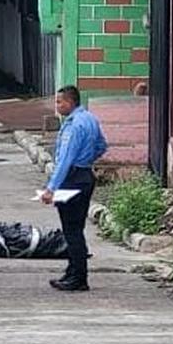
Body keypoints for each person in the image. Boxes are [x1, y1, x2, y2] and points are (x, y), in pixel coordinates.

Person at [39, 85, 107, 292]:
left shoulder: (73, 126)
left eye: (60, 102)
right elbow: (101, 146)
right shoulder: (90, 118)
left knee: (72, 230)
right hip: (85, 175)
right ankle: (72, 271)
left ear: (70, 102)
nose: (57, 106)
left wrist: (51, 188)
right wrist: (86, 160)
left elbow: (65, 161)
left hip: (72, 178)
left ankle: (78, 277)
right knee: (76, 228)